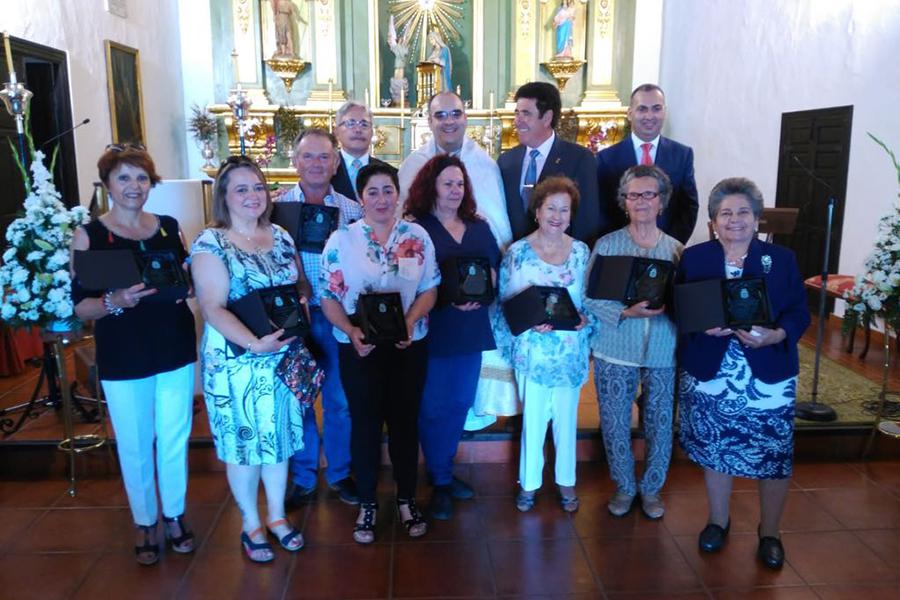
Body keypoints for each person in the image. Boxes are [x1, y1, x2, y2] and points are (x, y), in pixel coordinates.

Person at [71, 144, 197, 565]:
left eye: (141, 177)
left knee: (174, 436)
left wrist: (190, 287)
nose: (134, 186)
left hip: (173, 344)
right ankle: (146, 520)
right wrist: (116, 299)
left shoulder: (167, 226)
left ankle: (175, 514)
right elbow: (81, 307)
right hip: (124, 352)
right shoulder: (91, 235)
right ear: (107, 183)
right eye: (124, 177)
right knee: (136, 441)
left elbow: (188, 278)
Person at [676, 177, 810, 570]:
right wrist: (701, 326)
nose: (734, 220)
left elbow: (799, 311)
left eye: (743, 212)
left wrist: (777, 335)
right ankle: (718, 521)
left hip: (767, 372)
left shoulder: (781, 259)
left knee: (773, 454)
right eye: (725, 213)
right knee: (716, 449)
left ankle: (770, 532)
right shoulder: (695, 257)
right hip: (711, 371)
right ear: (714, 221)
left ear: (757, 219)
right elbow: (680, 309)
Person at [191, 156, 319, 563]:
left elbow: (297, 283)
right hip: (237, 361)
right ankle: (251, 523)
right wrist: (252, 343)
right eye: (241, 189)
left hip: (281, 357)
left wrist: (301, 306)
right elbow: (212, 306)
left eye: (258, 187)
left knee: (279, 442)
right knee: (246, 446)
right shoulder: (211, 242)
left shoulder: (280, 235)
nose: (252, 196)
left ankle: (278, 517)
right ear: (224, 197)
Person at [319, 163, 441, 543]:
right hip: (360, 349)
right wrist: (351, 331)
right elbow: (328, 298)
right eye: (372, 191)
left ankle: (407, 499)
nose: (382, 199)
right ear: (360, 198)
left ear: (398, 194)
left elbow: (430, 288)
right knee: (365, 423)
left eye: (388, 190)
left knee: (405, 423)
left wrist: (410, 321)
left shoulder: (417, 236)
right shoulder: (341, 241)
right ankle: (368, 503)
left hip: (409, 344)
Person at [583, 165, 682, 520]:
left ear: (662, 202)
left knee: (659, 422)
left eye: (649, 194)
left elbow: (686, 304)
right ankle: (625, 486)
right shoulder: (608, 245)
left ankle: (652, 488)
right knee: (614, 422)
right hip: (615, 349)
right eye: (633, 195)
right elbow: (587, 296)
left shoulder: (676, 251)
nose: (641, 201)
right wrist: (624, 312)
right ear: (624, 202)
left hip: (662, 351)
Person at [405, 155, 501, 520]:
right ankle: (440, 479)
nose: (455, 190)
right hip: (434, 328)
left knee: (460, 403)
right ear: (431, 187)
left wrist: (483, 293)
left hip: (471, 329)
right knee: (432, 407)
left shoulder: (478, 226)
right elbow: (408, 280)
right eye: (448, 183)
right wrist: (448, 299)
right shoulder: (416, 228)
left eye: (460, 183)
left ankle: (441, 471)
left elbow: (494, 270)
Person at [496, 176, 591, 513]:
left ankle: (567, 481)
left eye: (564, 210)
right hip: (533, 351)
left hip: (569, 351)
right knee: (533, 421)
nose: (557, 215)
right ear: (537, 210)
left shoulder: (581, 252)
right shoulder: (517, 253)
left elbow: (590, 301)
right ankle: (530, 483)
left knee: (566, 421)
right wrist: (527, 323)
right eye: (551, 207)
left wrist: (584, 319)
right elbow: (504, 302)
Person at [281, 128, 364, 507]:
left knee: (340, 400)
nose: (316, 164)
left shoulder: (351, 210)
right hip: (296, 321)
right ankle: (303, 475)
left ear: (335, 163)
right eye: (308, 156)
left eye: (323, 157)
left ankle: (341, 472)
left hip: (338, 318)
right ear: (295, 162)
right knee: (299, 398)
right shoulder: (277, 209)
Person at [398, 91, 512, 248]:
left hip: (472, 254)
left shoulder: (485, 165)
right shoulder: (414, 164)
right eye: (440, 115)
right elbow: (401, 218)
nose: (449, 121)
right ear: (430, 121)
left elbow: (496, 224)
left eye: (456, 114)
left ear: (465, 119)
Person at [498, 81, 600, 246]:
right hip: (515, 263)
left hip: (561, 264)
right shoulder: (506, 161)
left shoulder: (580, 159)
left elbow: (586, 223)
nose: (517, 121)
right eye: (517, 113)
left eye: (526, 114)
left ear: (547, 118)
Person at [596, 84, 698, 244]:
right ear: (630, 114)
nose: (650, 116)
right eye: (642, 109)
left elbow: (689, 207)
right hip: (620, 248)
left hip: (667, 250)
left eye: (656, 109)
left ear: (664, 111)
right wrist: (619, 242)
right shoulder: (606, 159)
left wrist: (670, 244)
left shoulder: (682, 155)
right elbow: (602, 209)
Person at [330, 102, 396, 201]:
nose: (358, 130)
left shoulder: (390, 173)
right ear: (336, 131)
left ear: (372, 132)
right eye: (351, 123)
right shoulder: (326, 170)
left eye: (364, 124)